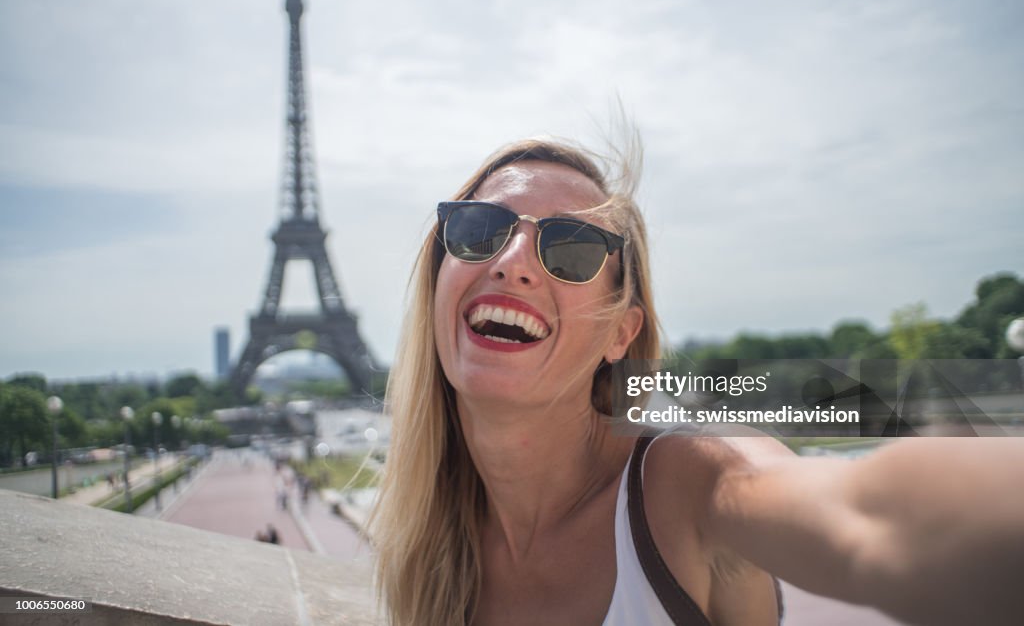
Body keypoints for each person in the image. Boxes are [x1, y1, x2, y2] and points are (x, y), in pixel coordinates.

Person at [369, 137, 1024, 625]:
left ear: (621, 333)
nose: (513, 264)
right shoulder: (428, 547)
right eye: (481, 229)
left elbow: (865, 513)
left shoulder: (681, 484)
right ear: (437, 274)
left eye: (569, 247)